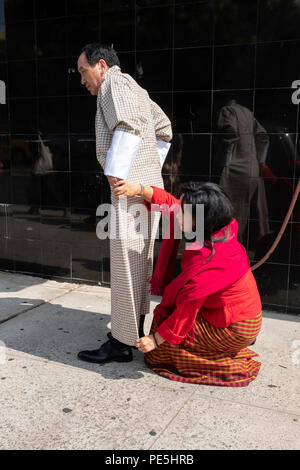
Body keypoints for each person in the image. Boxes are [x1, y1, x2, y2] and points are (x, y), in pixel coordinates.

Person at [113, 180, 262, 387]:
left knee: (161, 347)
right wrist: (139, 190)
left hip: (236, 328)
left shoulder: (208, 260)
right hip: (238, 315)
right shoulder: (223, 229)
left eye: (183, 212)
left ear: (202, 218)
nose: (177, 213)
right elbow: (171, 204)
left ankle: (228, 365)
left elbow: (186, 312)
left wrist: (155, 340)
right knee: (167, 321)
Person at [77, 43, 172, 364]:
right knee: (138, 262)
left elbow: (129, 125)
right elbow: (164, 128)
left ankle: (120, 343)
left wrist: (118, 178)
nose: (82, 80)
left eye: (83, 71)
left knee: (125, 266)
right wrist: (150, 169)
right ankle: (133, 331)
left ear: (101, 65)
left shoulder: (114, 83)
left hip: (129, 189)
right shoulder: (136, 88)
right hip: (144, 188)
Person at [216, 99, 271, 244]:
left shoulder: (227, 110)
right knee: (242, 213)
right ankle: (238, 250)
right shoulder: (248, 113)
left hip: (234, 170)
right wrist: (259, 161)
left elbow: (230, 134)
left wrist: (226, 163)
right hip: (252, 170)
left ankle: (230, 251)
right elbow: (263, 137)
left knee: (228, 213)